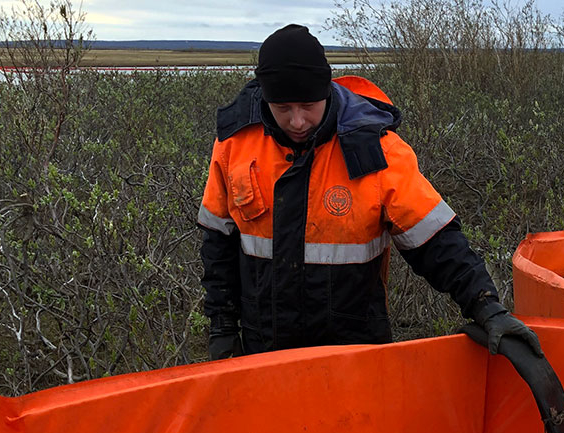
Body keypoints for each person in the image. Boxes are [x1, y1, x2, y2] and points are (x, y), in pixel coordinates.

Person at [197, 24, 541, 360]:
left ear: (326, 91)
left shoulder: (375, 149)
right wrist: (223, 327)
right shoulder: (235, 145)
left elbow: (436, 241)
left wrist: (486, 307)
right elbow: (218, 243)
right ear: (265, 98)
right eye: (284, 109)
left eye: (308, 106)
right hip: (263, 350)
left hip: (356, 351)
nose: (298, 121)